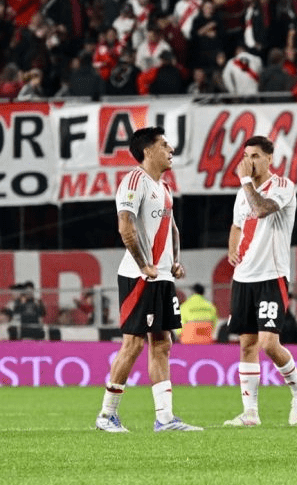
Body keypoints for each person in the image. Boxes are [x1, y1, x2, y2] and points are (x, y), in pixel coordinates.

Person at [95, 126, 202, 433]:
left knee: (162, 343)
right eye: (165, 145)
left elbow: (172, 229)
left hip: (162, 276)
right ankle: (106, 416)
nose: (171, 150)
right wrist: (144, 264)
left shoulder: (163, 187)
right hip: (140, 276)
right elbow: (125, 226)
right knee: (133, 343)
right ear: (148, 151)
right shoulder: (134, 181)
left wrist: (175, 262)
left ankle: (165, 418)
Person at [224, 135, 297, 427]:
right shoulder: (242, 194)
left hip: (271, 276)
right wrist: (232, 248)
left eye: (256, 156)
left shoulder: (283, 186)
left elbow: (261, 209)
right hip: (243, 277)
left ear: (269, 158)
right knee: (247, 344)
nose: (249, 161)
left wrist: (245, 182)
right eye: (246, 156)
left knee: (269, 343)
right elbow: (237, 224)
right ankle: (250, 413)